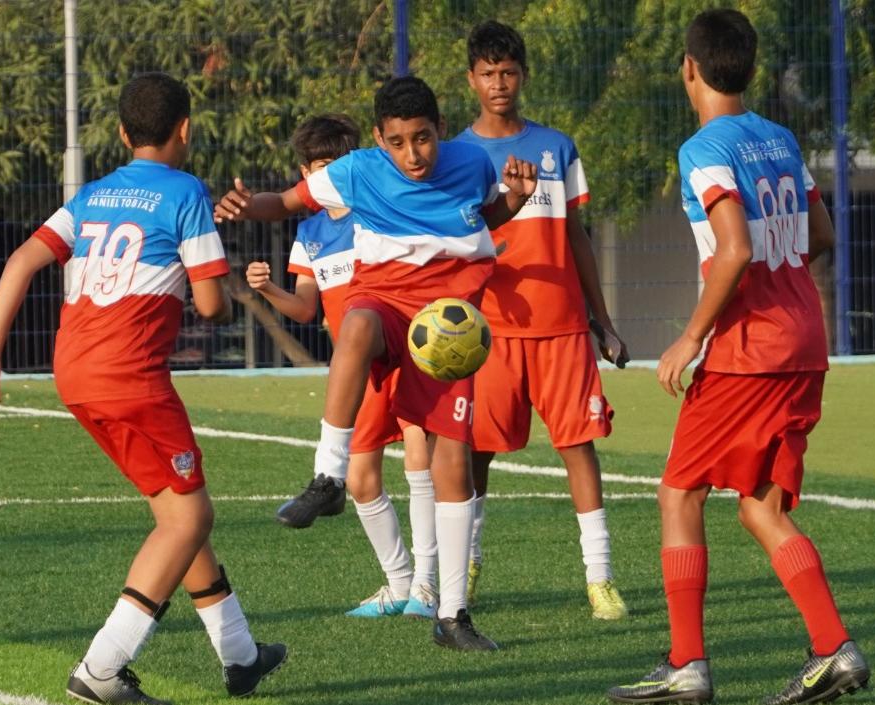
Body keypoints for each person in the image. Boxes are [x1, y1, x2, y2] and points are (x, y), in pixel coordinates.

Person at [0, 72, 285, 705]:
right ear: (185, 130)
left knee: (176, 514)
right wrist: (215, 289)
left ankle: (240, 655)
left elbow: (24, 258)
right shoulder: (187, 192)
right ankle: (102, 668)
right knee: (191, 514)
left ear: (120, 133)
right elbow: (214, 303)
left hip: (75, 372)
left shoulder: (92, 194)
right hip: (130, 376)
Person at [215, 75, 538, 651]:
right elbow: (287, 201)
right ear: (377, 139)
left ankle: (453, 616)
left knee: (453, 464)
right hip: (384, 301)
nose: (412, 154)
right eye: (397, 141)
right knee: (355, 325)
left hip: (445, 323)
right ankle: (328, 476)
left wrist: (513, 199)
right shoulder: (355, 169)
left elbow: (480, 218)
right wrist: (245, 206)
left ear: (439, 129)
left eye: (422, 138)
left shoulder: (473, 163)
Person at [607, 9, 870, 704]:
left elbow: (734, 249)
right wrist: (780, 285)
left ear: (687, 68)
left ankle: (686, 662)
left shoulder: (703, 148)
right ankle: (833, 649)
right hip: (804, 342)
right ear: (747, 69)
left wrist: (691, 336)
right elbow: (817, 232)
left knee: (678, 492)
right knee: (759, 505)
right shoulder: (779, 138)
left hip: (747, 351)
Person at [453, 19, 630, 619]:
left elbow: (576, 235)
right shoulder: (458, 155)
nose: (498, 84)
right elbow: (461, 237)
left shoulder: (557, 146)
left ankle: (600, 578)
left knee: (580, 448)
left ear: (522, 76)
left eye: (508, 73)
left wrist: (601, 321)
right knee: (477, 455)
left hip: (562, 330)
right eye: (487, 74)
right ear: (471, 80)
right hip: (491, 332)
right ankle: (466, 568)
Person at [245, 114, 439, 619]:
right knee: (360, 478)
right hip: (357, 371)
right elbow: (307, 308)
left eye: (334, 167)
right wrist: (269, 291)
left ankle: (428, 586)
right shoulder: (308, 232)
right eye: (314, 170)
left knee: (422, 460)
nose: (324, 179)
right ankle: (397, 584)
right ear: (303, 173)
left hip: (405, 351)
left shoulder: (378, 211)